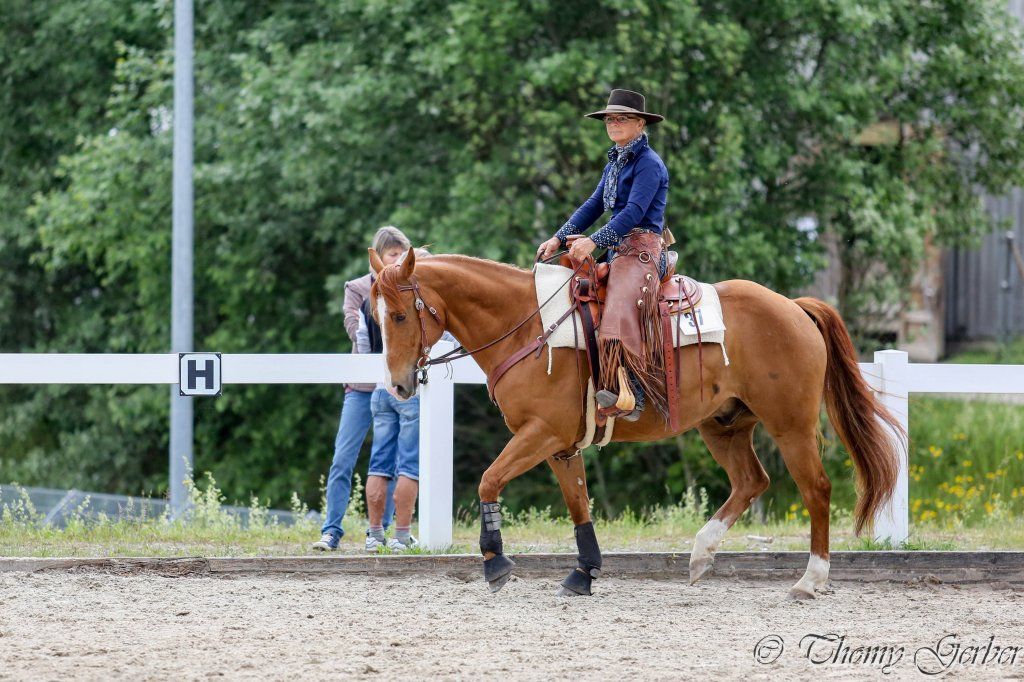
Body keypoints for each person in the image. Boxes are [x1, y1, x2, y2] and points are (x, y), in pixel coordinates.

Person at [537, 88, 671, 423]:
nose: (613, 123)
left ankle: (634, 391)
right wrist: (558, 237)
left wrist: (594, 241)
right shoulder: (616, 160)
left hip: (643, 249)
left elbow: (634, 212)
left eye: (622, 118)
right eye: (610, 119)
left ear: (640, 123)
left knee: (620, 305)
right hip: (618, 249)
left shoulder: (649, 164)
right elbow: (594, 205)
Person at [312, 226, 412, 551]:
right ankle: (331, 530)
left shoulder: (410, 288)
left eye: (402, 254)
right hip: (362, 386)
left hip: (395, 385)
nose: (398, 259)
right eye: (392, 254)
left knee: (391, 460)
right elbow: (350, 320)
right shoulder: (357, 287)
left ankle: (380, 530)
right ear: (378, 257)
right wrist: (360, 337)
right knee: (343, 457)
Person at [361, 248, 457, 552]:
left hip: (381, 387)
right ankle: (401, 535)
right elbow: (449, 342)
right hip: (410, 390)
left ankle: (374, 535)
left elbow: (363, 341)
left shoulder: (378, 300)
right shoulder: (419, 303)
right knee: (408, 465)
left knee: (379, 462)